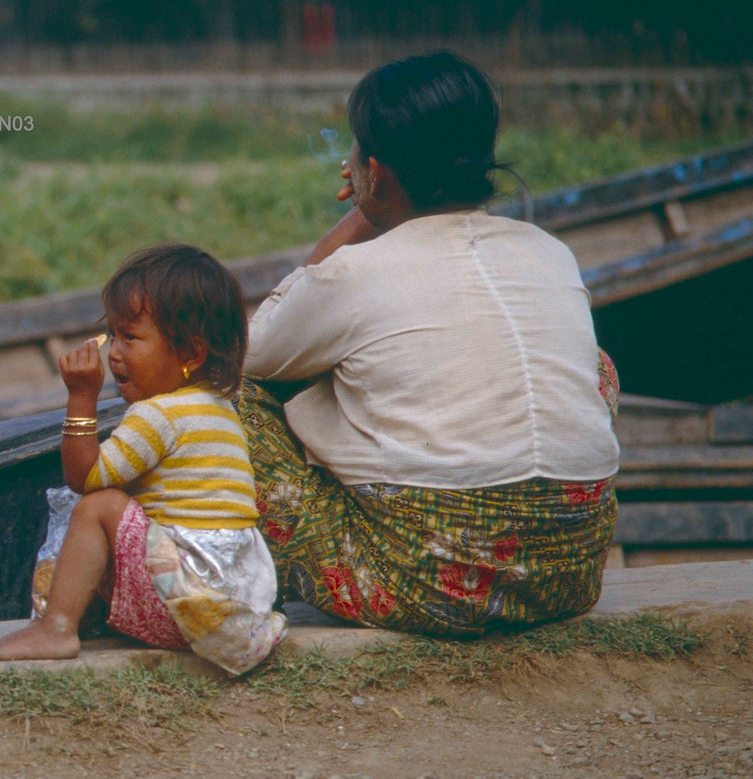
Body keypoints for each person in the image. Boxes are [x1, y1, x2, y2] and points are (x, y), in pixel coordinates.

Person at [239, 51, 621, 635]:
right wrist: (379, 201)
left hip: (425, 585)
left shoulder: (355, 273)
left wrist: (359, 219)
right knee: (596, 366)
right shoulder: (550, 252)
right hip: (567, 575)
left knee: (224, 391)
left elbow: (250, 354)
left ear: (374, 171)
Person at [0, 244, 286, 674]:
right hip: (232, 608)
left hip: (188, 605)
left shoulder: (158, 415)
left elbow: (84, 477)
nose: (114, 353)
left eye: (130, 337)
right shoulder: (219, 408)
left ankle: (58, 627)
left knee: (98, 505)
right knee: (119, 509)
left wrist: (81, 397)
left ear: (190, 355)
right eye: (114, 335)